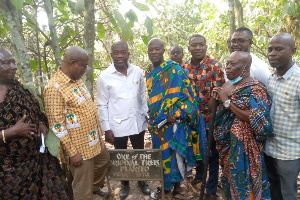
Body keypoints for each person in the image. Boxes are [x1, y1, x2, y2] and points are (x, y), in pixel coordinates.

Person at [0, 48, 68, 199]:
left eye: (13, 62)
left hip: (38, 162)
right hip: (9, 173)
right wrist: (11, 132)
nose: (13, 66)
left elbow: (38, 113)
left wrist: (42, 124)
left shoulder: (20, 88)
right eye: (6, 63)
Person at [44, 46, 110, 200]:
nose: (85, 70)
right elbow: (57, 125)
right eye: (84, 66)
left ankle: (93, 189)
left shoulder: (76, 79)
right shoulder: (54, 89)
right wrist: (72, 153)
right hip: (78, 149)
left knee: (104, 161)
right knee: (81, 186)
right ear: (72, 63)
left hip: (93, 141)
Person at [146, 38, 206, 199]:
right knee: (161, 155)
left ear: (163, 50)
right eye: (151, 49)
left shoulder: (174, 69)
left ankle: (175, 187)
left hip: (174, 123)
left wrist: (177, 115)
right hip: (157, 123)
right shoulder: (149, 73)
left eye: (157, 49)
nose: (154, 52)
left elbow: (187, 95)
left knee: (175, 154)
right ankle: (165, 186)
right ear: (147, 52)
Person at [212, 51, 274, 199]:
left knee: (247, 185)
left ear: (245, 68)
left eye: (233, 64)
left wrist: (227, 102)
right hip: (227, 147)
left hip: (246, 149)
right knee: (229, 182)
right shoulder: (227, 85)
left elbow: (257, 119)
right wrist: (216, 97)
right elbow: (213, 110)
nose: (228, 67)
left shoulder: (256, 89)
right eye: (227, 63)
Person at [97, 41, 150, 199]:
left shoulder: (137, 72)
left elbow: (142, 96)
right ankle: (124, 183)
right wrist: (106, 129)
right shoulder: (104, 77)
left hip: (137, 122)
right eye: (116, 53)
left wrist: (146, 114)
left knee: (139, 153)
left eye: (123, 52)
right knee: (121, 155)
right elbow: (102, 104)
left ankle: (142, 181)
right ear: (111, 54)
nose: (120, 56)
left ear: (128, 53)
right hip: (117, 125)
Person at [183, 34, 225, 199]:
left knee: (211, 153)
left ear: (206, 47)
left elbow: (219, 94)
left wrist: (210, 109)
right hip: (190, 120)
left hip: (209, 120)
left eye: (201, 45)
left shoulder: (215, 66)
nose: (198, 48)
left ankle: (211, 189)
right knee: (197, 150)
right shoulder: (184, 67)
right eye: (194, 45)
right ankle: (199, 176)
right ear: (189, 48)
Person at [264, 33, 300, 200]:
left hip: (290, 150)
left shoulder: (298, 80)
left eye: (279, 49)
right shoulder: (271, 79)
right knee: (273, 189)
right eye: (270, 49)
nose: (272, 53)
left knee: (288, 193)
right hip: (269, 147)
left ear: (292, 51)